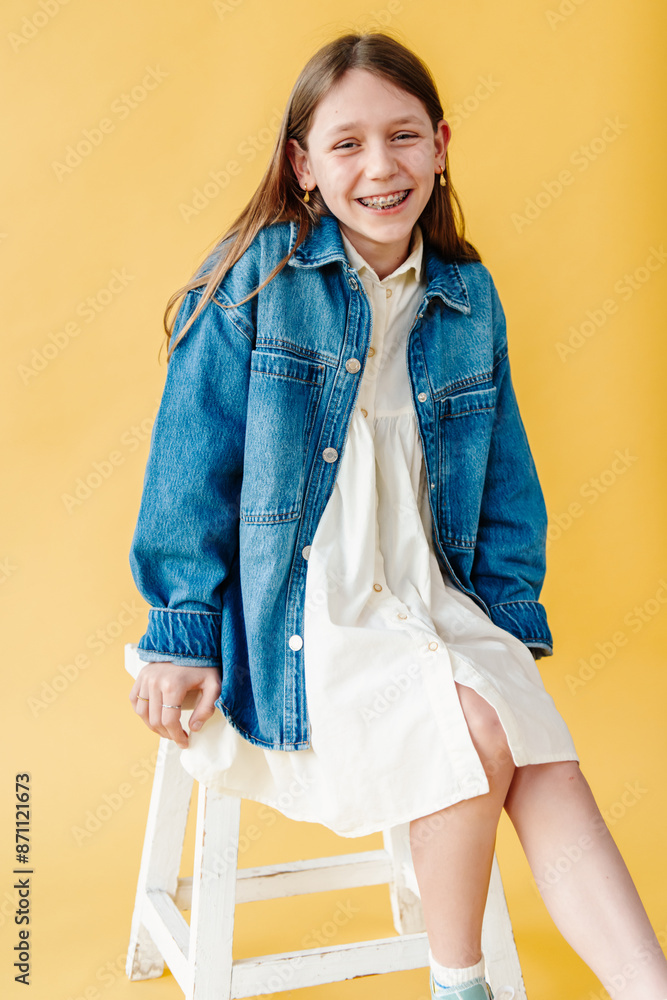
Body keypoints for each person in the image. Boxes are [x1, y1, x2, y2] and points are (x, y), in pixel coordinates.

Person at [127, 31, 667, 1000]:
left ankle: (643, 983)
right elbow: (189, 462)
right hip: (305, 612)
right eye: (346, 144)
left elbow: (505, 479)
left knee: (539, 750)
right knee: (484, 732)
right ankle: (458, 982)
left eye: (404, 136)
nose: (380, 166)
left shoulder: (467, 296)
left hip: (431, 595)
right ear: (302, 163)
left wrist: (502, 617)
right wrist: (180, 629)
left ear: (441, 145)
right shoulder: (255, 278)